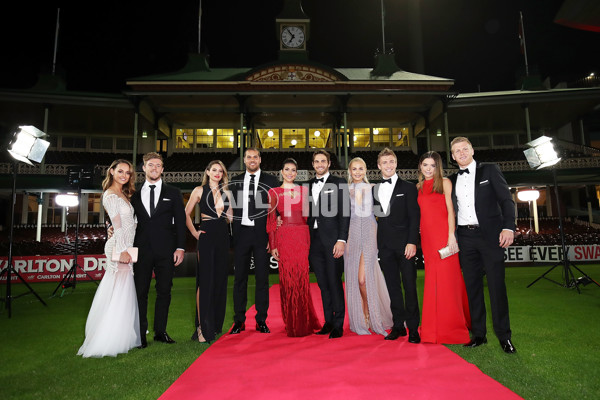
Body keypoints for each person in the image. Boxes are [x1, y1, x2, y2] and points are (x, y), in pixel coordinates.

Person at [450, 137, 517, 353]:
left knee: (497, 287)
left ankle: (504, 336)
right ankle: (479, 334)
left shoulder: (490, 170)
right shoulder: (451, 180)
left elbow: (507, 200)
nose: (461, 153)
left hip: (491, 236)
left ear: (472, 150)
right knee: (473, 288)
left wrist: (509, 227)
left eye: (464, 149)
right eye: (456, 151)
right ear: (452, 156)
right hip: (465, 238)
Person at [77, 159, 141, 357]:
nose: (124, 175)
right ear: (111, 172)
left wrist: (124, 244)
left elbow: (125, 224)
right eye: (120, 171)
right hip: (119, 248)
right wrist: (121, 250)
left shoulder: (123, 194)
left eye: (128, 172)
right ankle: (109, 339)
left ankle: (121, 335)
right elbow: (118, 224)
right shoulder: (110, 195)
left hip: (126, 246)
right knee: (117, 293)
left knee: (122, 293)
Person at [130, 152, 186, 348]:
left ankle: (161, 331)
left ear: (163, 169)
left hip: (166, 250)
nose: (154, 168)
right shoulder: (134, 194)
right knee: (140, 292)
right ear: (144, 168)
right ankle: (140, 335)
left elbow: (180, 222)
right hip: (142, 250)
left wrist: (180, 247)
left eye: (158, 166)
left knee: (164, 291)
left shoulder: (173, 192)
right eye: (150, 165)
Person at [416, 151, 471, 344]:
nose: (429, 169)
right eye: (425, 165)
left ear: (437, 167)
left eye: (432, 165)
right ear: (420, 167)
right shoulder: (419, 187)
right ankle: (432, 327)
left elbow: (450, 211)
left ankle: (452, 326)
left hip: (444, 237)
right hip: (427, 240)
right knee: (432, 281)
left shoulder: (445, 183)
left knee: (449, 280)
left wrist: (451, 236)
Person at [267, 158, 321, 337]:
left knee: (302, 279)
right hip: (284, 237)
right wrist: (273, 244)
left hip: (302, 236)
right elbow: (271, 220)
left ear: (296, 173)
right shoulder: (273, 192)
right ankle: (292, 321)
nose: (290, 173)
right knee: (288, 280)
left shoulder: (304, 191)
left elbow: (309, 216)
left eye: (293, 170)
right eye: (287, 169)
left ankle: (305, 320)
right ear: (281, 172)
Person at [373, 148, 421, 343]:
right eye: (385, 162)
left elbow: (414, 218)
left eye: (391, 161)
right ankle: (398, 326)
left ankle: (413, 329)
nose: (388, 165)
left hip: (405, 246)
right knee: (392, 287)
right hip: (384, 246)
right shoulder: (375, 189)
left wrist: (412, 242)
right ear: (378, 166)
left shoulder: (409, 187)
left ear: (396, 163)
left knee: (409, 286)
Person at [229, 148, 279, 334]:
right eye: (249, 157)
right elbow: (230, 209)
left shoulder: (271, 181)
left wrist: (271, 237)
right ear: (244, 160)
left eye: (255, 157)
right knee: (239, 279)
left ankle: (261, 320)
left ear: (260, 159)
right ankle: (239, 321)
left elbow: (275, 211)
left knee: (262, 280)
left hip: (262, 236)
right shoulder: (235, 181)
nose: (252, 160)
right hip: (241, 235)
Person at [184, 160, 232, 343]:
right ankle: (202, 327)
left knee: (219, 281)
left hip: (222, 235)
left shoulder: (227, 192)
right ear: (208, 171)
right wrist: (195, 233)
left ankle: (215, 324)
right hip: (206, 234)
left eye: (221, 170)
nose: (217, 173)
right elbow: (185, 213)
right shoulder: (199, 190)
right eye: (214, 170)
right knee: (205, 281)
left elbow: (231, 216)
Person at [344, 157, 393, 336]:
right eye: (354, 169)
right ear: (350, 171)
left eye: (361, 169)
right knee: (355, 278)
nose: (357, 172)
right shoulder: (344, 191)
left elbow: (386, 211)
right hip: (352, 234)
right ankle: (363, 315)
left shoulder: (373, 189)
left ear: (366, 170)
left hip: (370, 233)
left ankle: (369, 313)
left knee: (364, 279)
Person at [307, 150, 350, 339]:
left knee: (334, 282)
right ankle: (328, 321)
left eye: (323, 161)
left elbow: (345, 213)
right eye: (316, 161)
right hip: (313, 241)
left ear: (329, 163)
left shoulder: (339, 183)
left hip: (333, 240)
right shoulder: (307, 185)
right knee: (323, 285)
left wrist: (342, 239)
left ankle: (339, 324)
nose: (320, 164)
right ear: (313, 164)